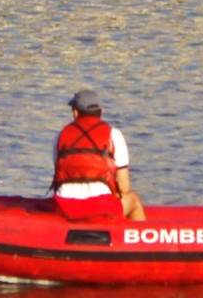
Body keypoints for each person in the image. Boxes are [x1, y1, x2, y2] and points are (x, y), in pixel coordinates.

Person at [52, 89, 146, 221]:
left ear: (75, 112)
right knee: (133, 199)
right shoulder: (115, 135)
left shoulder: (60, 136)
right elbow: (124, 188)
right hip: (101, 207)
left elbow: (59, 175)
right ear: (101, 112)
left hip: (64, 207)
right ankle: (136, 237)